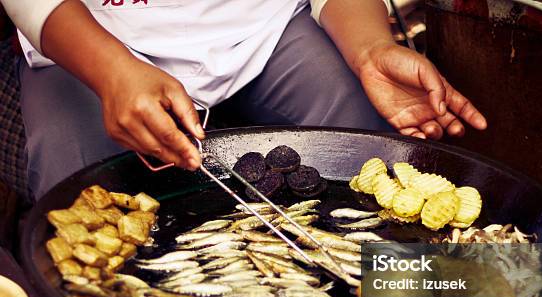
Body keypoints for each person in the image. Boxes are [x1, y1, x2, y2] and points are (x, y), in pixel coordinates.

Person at [2, 0, 486, 199]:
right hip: (90, 35)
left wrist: (370, 48)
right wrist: (111, 74)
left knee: (373, 154)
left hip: (264, 23)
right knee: (76, 194)